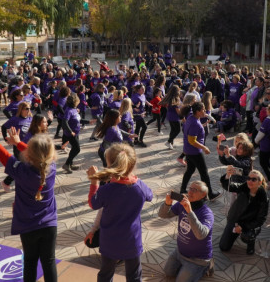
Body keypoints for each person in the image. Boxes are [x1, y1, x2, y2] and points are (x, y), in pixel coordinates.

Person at [0, 129, 58, 282]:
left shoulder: (21, 170)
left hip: (28, 225)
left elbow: (4, 156)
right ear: (51, 155)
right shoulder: (51, 168)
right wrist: (18, 143)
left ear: (28, 155)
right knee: (49, 261)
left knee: (29, 261)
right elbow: (39, 155)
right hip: (49, 225)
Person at [87, 143, 153, 282]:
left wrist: (94, 182)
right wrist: (136, 179)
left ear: (111, 164)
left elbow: (93, 203)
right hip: (132, 241)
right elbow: (150, 196)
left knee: (106, 274)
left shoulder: (107, 190)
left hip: (109, 241)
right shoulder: (140, 187)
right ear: (132, 164)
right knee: (134, 276)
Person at [158, 181, 214, 281]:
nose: (190, 192)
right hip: (180, 252)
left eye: (195, 190)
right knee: (168, 272)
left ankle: (206, 266)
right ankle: (186, 268)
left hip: (197, 259)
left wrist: (189, 211)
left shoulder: (207, 213)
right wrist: (167, 203)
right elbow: (163, 215)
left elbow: (200, 235)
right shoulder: (181, 204)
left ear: (203, 195)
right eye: (190, 188)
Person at [219, 169, 268, 255]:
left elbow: (260, 220)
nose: (250, 181)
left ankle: (251, 242)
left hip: (248, 223)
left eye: (254, 179)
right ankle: (234, 233)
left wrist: (242, 227)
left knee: (247, 236)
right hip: (234, 220)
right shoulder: (242, 187)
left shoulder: (263, 198)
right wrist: (228, 175)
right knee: (224, 247)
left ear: (260, 182)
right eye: (248, 178)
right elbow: (228, 186)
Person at [180, 102, 221, 201]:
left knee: (190, 170)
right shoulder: (194, 123)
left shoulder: (191, 116)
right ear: (198, 112)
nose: (204, 111)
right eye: (203, 110)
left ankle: (182, 189)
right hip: (195, 151)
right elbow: (192, 140)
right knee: (204, 173)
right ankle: (210, 194)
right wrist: (204, 148)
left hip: (188, 150)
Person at [161, 85, 181, 150]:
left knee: (173, 130)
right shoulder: (175, 98)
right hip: (175, 116)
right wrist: (182, 115)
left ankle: (170, 144)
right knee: (178, 130)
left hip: (170, 115)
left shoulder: (170, 97)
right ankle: (169, 141)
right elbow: (177, 110)